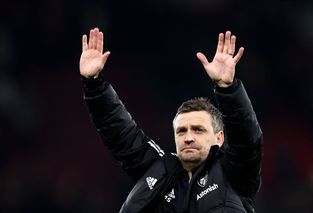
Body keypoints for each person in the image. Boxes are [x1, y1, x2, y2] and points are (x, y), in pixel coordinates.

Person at [79, 27, 263, 213]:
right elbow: (120, 132)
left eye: (198, 130)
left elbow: (247, 139)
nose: (188, 137)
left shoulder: (234, 172)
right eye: (181, 131)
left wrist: (227, 89)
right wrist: (93, 84)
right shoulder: (159, 171)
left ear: (219, 138)